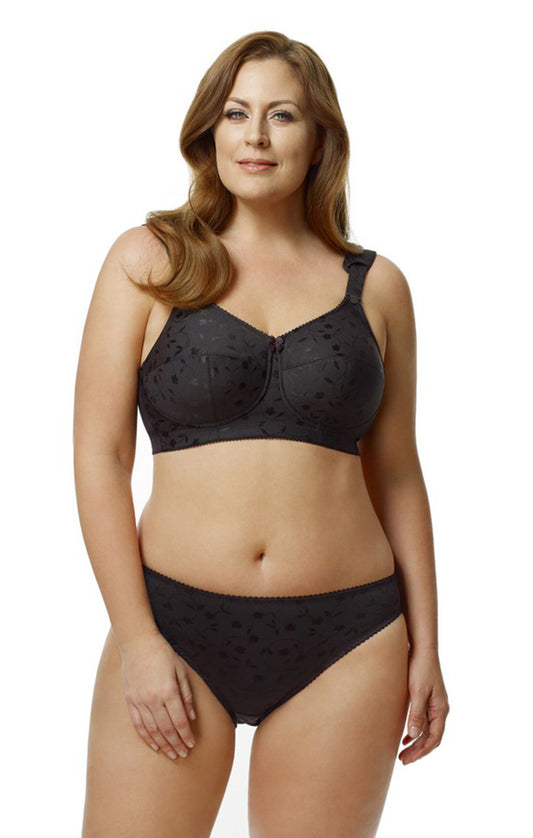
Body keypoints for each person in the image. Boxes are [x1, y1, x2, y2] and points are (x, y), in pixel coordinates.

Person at [73, 29, 450, 838]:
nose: (256, 136)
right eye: (236, 113)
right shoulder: (149, 261)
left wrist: (426, 647)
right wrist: (137, 640)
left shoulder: (377, 286)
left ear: (318, 138)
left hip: (349, 641)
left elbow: (396, 474)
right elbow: (99, 457)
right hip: (175, 627)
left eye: (282, 115)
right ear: (209, 131)